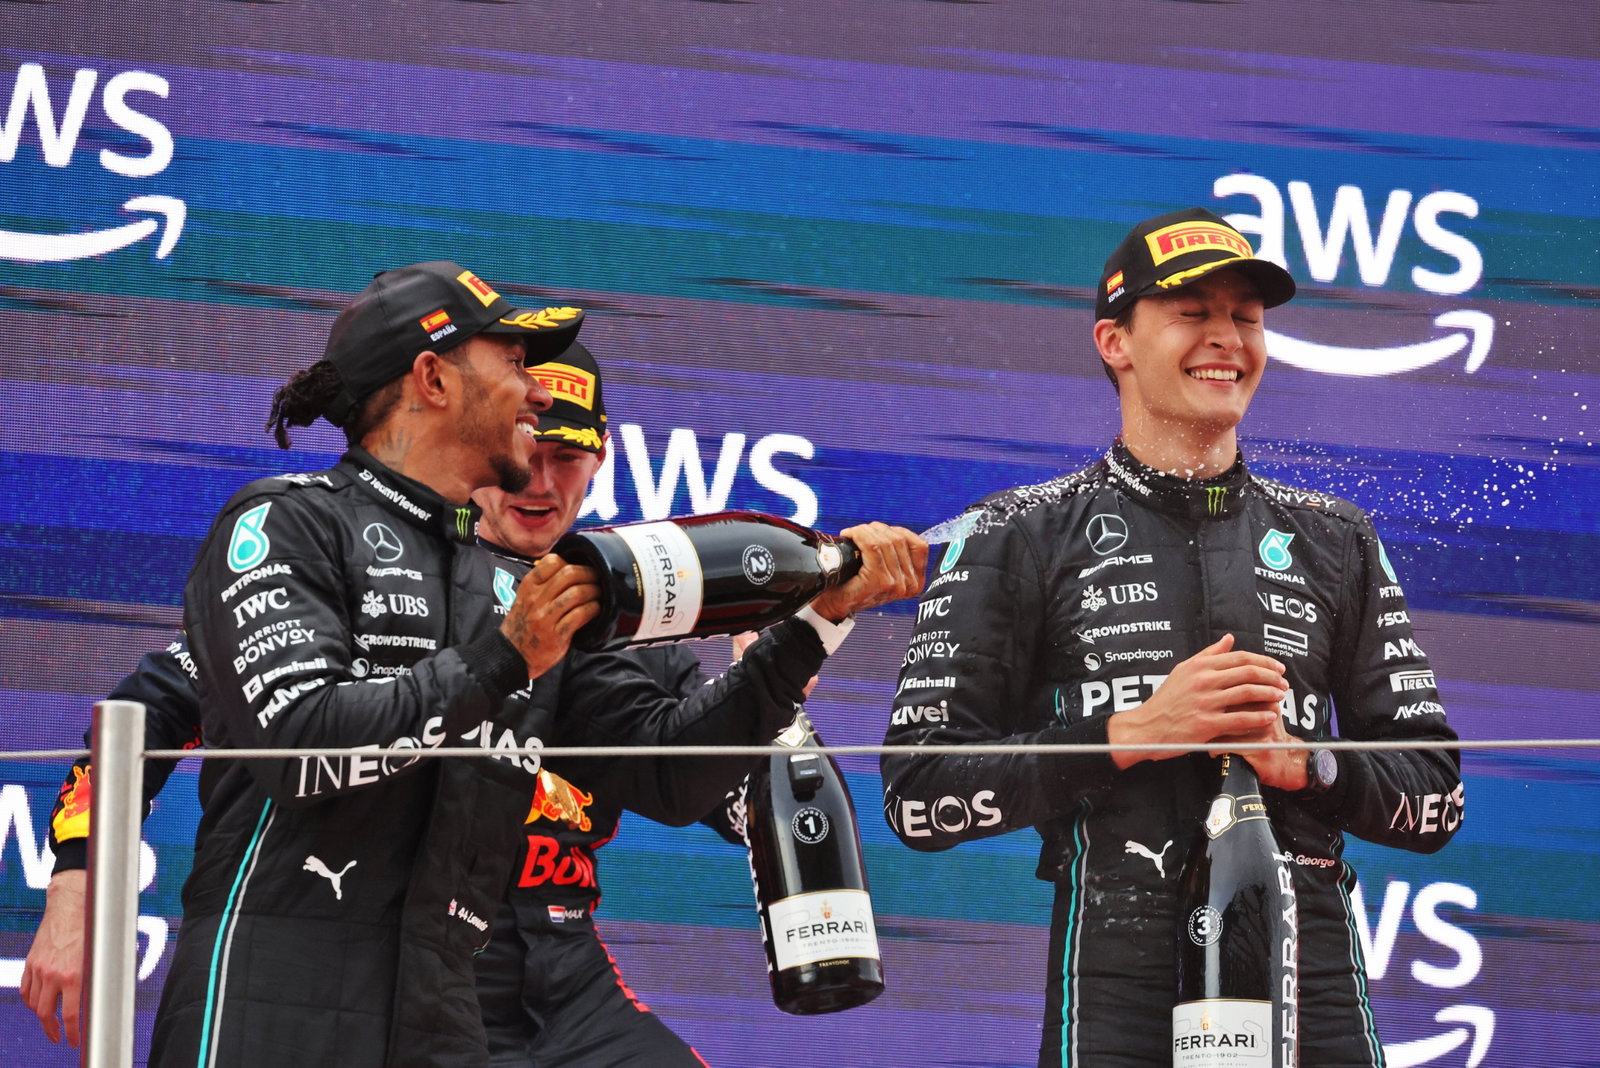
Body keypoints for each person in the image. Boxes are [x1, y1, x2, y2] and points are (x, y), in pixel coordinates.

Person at [138, 259, 923, 1066]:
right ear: (433, 379)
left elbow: (670, 772)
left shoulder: (524, 593)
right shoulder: (287, 524)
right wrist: (504, 659)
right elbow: (301, 744)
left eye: (567, 447)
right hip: (281, 998)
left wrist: (813, 625)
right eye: (514, 366)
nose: (537, 393)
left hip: (446, 1009)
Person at [19, 339, 781, 1065]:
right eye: (532, 450)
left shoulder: (627, 635)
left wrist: (779, 686)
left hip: (568, 984)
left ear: (600, 462)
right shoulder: (357, 580)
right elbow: (144, 716)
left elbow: (726, 796)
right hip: (404, 971)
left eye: (568, 457)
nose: (543, 483)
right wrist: (78, 882)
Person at [880, 208, 1464, 1067]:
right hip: (1117, 966)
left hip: (1315, 966)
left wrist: (1309, 763)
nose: (1226, 337)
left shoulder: (1338, 539)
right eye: (1192, 312)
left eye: (1246, 317)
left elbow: (1437, 795)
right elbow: (918, 793)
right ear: (1115, 341)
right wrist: (1126, 737)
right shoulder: (1015, 534)